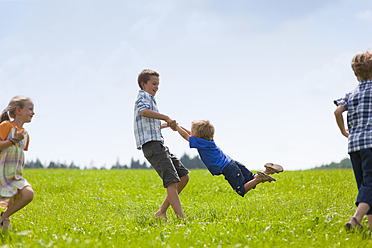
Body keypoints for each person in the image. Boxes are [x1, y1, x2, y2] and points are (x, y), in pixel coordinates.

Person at [133, 69, 189, 220]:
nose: (156, 87)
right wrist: (165, 117)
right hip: (151, 145)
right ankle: (181, 219)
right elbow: (143, 112)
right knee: (171, 180)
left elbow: (150, 123)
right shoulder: (143, 97)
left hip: (158, 144)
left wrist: (166, 125)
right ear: (143, 84)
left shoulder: (151, 99)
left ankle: (161, 213)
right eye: (153, 83)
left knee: (183, 177)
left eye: (158, 84)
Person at [175, 120, 283, 197]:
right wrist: (176, 126)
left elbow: (186, 136)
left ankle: (260, 178)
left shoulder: (200, 142)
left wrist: (176, 128)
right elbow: (189, 134)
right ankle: (267, 171)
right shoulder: (206, 141)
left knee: (242, 189)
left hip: (228, 168)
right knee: (250, 178)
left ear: (198, 136)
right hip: (232, 163)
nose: (191, 132)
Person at [334, 50, 372, 231]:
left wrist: (344, 131)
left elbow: (337, 111)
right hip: (371, 144)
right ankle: (356, 218)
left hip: (354, 145)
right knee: (371, 185)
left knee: (365, 186)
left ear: (355, 74)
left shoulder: (351, 94)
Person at [0, 96, 35, 231]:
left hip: (15, 175)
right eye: (30, 109)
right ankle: (4, 223)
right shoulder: (6, 126)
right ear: (18, 110)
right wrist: (14, 139)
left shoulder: (25, 135)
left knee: (28, 194)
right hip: (1, 173)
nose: (33, 112)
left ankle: (3, 216)